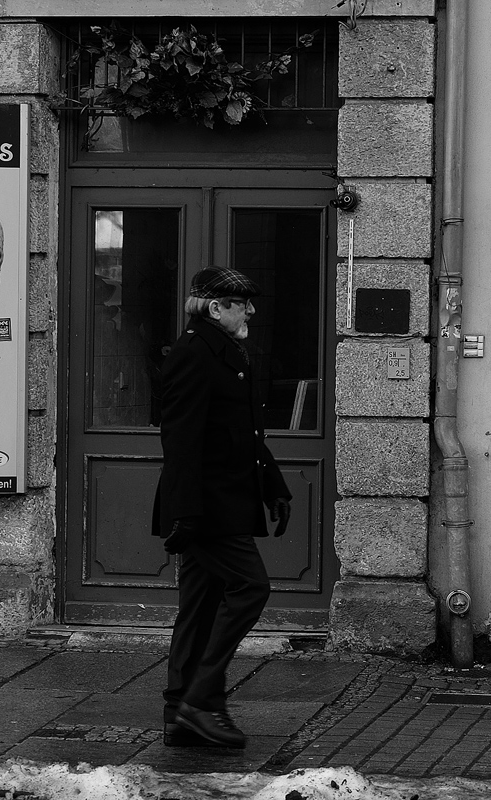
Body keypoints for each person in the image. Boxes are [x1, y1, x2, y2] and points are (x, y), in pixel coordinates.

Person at [151, 265, 292, 749]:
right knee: (251, 588)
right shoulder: (193, 354)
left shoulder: (228, 352)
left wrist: (274, 485)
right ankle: (201, 702)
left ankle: (178, 712)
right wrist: (186, 514)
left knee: (200, 604)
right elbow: (182, 440)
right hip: (207, 506)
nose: (251, 310)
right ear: (216, 308)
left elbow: (246, 432)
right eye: (242, 303)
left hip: (226, 498)